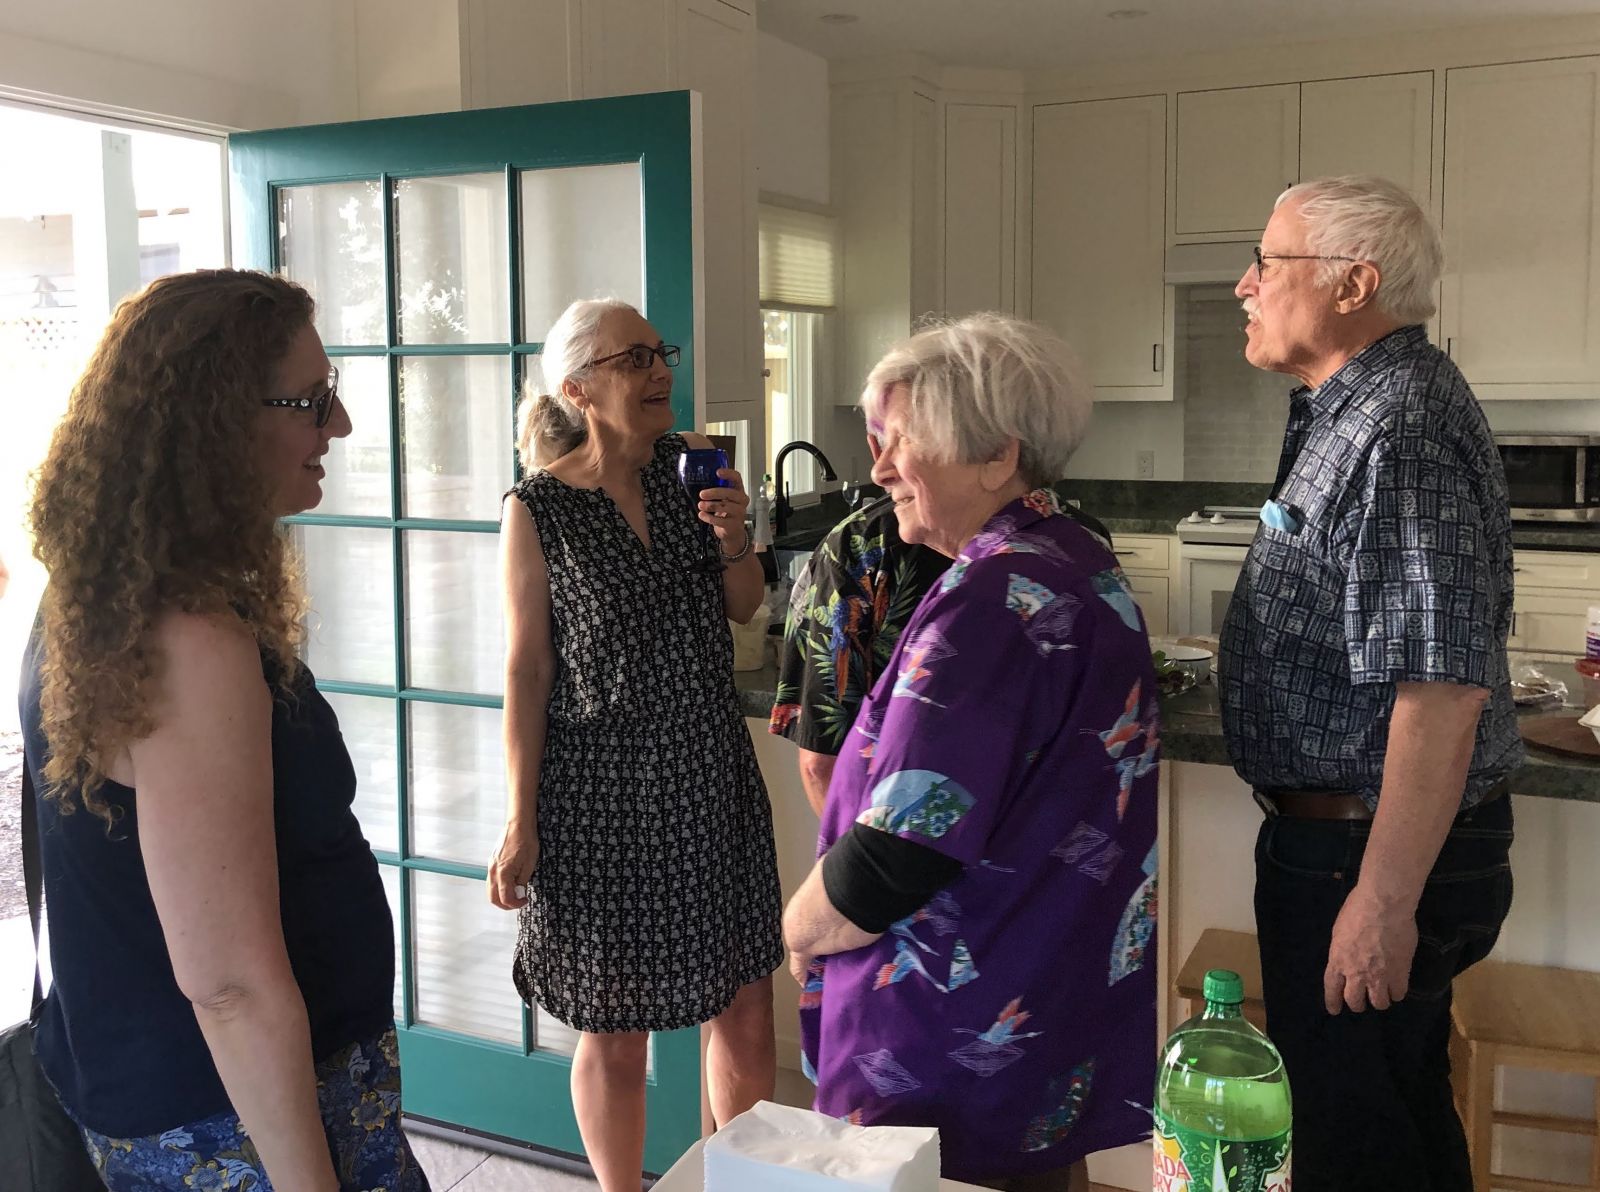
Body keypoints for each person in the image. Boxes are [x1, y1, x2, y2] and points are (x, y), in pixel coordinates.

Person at [20, 270, 425, 1190]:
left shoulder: (96, 593)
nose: (341, 427)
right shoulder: (187, 637)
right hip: (233, 1126)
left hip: (193, 1098)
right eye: (313, 402)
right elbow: (228, 984)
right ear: (211, 421)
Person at [782, 314, 1159, 1191]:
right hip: (1034, 1002)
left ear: (996, 456)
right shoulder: (1072, 558)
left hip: (950, 1033)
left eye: (902, 442)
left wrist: (798, 928)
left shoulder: (997, 599)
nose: (878, 468)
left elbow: (900, 851)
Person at [1220, 175, 1523, 1191]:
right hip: (1349, 836)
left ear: (1354, 283)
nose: (1243, 284)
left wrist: (1382, 900)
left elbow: (1439, 687)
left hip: (1370, 845)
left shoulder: (1398, 423)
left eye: (1268, 261)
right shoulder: (1347, 408)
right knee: (1386, 1113)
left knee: (1353, 1138)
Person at [487, 298, 784, 1192]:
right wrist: (519, 817)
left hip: (706, 772)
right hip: (598, 795)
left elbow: (743, 606)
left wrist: (735, 534)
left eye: (662, 354)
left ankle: (742, 1182)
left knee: (745, 1002)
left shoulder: (693, 475)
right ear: (578, 388)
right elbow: (527, 672)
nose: (660, 372)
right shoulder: (538, 508)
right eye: (634, 359)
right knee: (614, 1025)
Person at [768, 443, 950, 816]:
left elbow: (821, 764)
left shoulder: (863, 544)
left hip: (895, 853)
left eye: (901, 437)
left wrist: (854, 870)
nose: (879, 469)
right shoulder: (1080, 543)